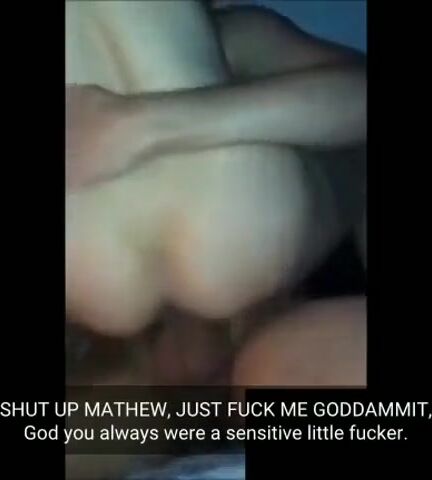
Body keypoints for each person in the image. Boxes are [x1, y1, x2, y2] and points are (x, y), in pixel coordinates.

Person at [66, 0, 366, 390]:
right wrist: (141, 125)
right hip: (229, 236)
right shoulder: (232, 36)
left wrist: (143, 124)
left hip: (109, 272)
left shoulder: (237, 35)